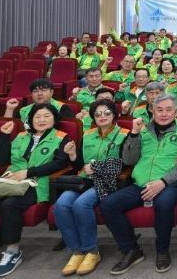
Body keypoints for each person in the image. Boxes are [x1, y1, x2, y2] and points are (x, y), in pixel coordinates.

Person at [100, 94, 177, 274]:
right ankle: (131, 249)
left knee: (163, 204)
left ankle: (162, 250)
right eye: (159, 110)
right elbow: (128, 159)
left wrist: (163, 182)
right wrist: (134, 134)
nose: (164, 114)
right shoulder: (142, 130)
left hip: (169, 183)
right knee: (108, 205)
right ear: (152, 110)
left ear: (175, 112)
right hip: (140, 183)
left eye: (168, 110)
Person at [0, 104, 71, 277]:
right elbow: (2, 160)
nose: (41, 120)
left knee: (9, 205)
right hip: (10, 181)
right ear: (31, 120)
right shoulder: (21, 136)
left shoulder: (61, 137)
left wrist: (28, 172)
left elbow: (60, 163)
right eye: (37, 116)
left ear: (54, 119)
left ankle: (13, 252)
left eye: (46, 116)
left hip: (37, 183)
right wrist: (4, 136)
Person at [55, 100, 129, 276]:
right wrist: (73, 155)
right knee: (61, 204)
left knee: (81, 204)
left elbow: (125, 163)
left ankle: (91, 251)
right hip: (84, 180)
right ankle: (77, 251)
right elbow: (79, 164)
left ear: (114, 115)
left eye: (107, 113)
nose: (102, 116)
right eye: (97, 114)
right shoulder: (87, 134)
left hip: (107, 181)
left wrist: (97, 168)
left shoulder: (124, 134)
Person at [4, 79, 73, 126]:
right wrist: (9, 109)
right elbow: (8, 128)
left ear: (51, 92)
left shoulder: (62, 108)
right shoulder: (24, 110)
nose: (39, 94)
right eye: (35, 91)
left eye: (43, 90)